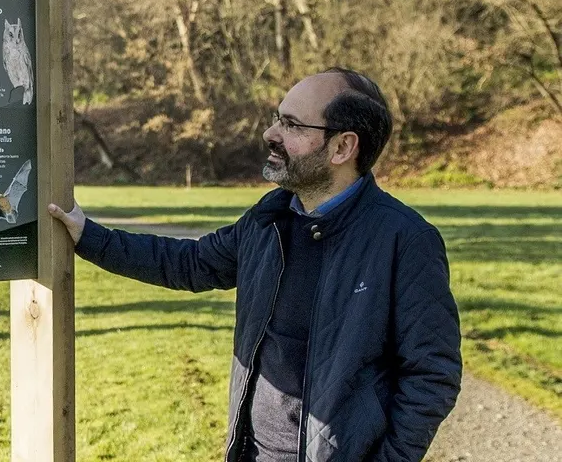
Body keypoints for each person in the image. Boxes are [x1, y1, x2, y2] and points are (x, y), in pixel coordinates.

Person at [49, 68, 461, 462]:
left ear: (342, 147)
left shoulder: (405, 241)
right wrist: (90, 236)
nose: (270, 134)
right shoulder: (269, 220)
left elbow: (431, 376)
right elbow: (189, 263)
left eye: (292, 125)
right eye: (276, 118)